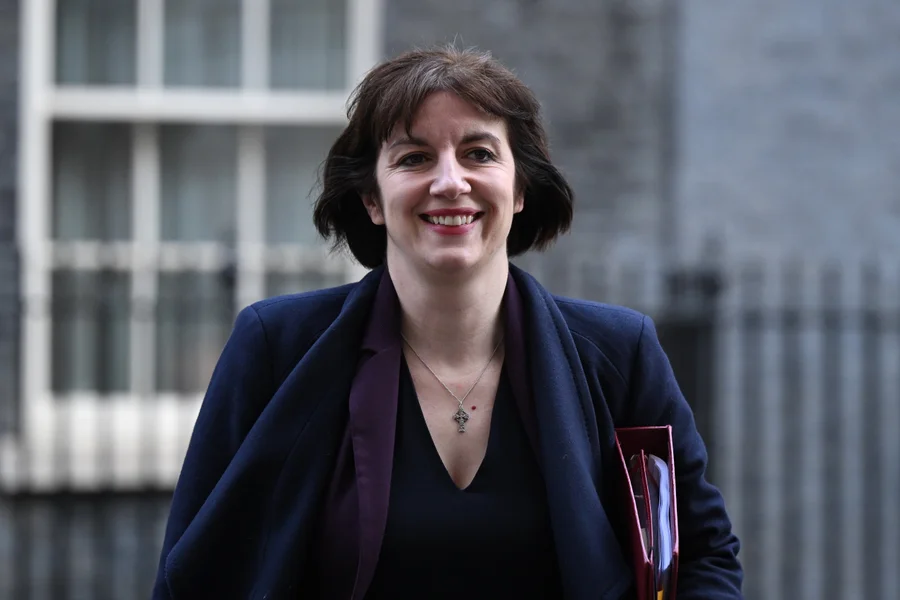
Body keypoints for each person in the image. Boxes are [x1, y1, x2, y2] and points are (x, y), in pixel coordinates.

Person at [152, 46, 742, 600]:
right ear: (372, 199)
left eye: (479, 154)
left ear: (519, 188)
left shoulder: (620, 354)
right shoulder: (275, 347)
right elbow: (196, 571)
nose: (450, 181)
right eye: (414, 158)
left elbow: (701, 556)